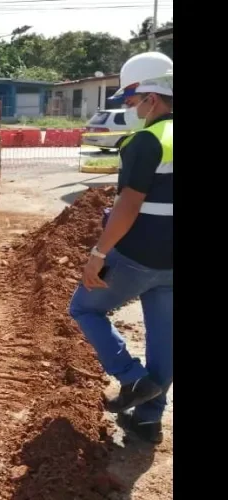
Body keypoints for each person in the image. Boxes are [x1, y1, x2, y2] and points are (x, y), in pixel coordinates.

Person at [68, 51, 173, 444]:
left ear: (152, 97)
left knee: (83, 306)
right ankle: (148, 421)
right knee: (164, 339)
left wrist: (97, 255)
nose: (130, 108)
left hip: (138, 256)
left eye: (131, 100)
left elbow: (129, 206)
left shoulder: (146, 140)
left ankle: (131, 377)